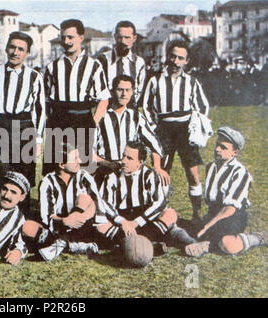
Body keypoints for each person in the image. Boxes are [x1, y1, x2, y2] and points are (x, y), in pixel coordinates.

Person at [99, 141, 209, 257]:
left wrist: (136, 222)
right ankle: (147, 246)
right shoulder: (112, 177)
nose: (123, 161)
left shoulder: (149, 175)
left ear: (140, 162)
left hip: (145, 222)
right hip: (122, 222)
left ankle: (191, 243)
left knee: (170, 214)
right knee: (101, 224)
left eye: (129, 158)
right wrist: (122, 222)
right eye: (124, 156)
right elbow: (104, 203)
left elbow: (159, 203)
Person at [142, 40, 209, 221]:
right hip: (163, 129)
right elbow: (146, 106)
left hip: (185, 129)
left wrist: (195, 125)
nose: (175, 61)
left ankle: (196, 214)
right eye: (173, 56)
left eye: (181, 58)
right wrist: (154, 127)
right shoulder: (155, 79)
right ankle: (162, 212)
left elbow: (202, 106)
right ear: (167, 56)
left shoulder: (191, 82)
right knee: (162, 171)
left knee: (192, 172)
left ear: (186, 61)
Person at [0, 31, 46, 218]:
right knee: (2, 174)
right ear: (6, 48)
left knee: (24, 175)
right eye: (12, 47)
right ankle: (0, 220)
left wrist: (39, 139)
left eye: (21, 49)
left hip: (24, 126)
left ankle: (22, 221)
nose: (15, 52)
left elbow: (40, 109)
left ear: (27, 53)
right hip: (0, 125)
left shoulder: (34, 77)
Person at [22, 142, 117, 261]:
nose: (79, 161)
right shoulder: (47, 182)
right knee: (27, 227)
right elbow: (46, 217)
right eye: (75, 158)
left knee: (84, 199)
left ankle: (63, 243)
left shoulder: (84, 176)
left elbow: (97, 203)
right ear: (62, 164)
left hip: (83, 224)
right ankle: (75, 245)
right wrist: (65, 221)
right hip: (59, 227)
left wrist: (78, 217)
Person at [43, 19, 110, 175]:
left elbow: (104, 98)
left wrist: (92, 122)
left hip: (83, 120)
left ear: (81, 37)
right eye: (63, 37)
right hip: (59, 121)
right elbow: (46, 100)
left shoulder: (94, 65)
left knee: (83, 169)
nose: (66, 42)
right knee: (56, 168)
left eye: (71, 37)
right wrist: (53, 119)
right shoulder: (52, 67)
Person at [186, 127, 267, 256]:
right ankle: (208, 240)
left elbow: (230, 209)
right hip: (214, 213)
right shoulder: (211, 166)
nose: (217, 149)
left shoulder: (240, 172)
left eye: (223, 147)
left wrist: (207, 226)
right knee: (189, 228)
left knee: (228, 245)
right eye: (217, 145)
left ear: (234, 152)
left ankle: (258, 238)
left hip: (232, 216)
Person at [93, 74, 168, 187]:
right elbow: (88, 152)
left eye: (127, 90)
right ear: (112, 91)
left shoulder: (136, 116)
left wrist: (157, 167)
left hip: (132, 172)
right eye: (120, 90)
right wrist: (109, 164)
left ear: (132, 92)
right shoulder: (101, 117)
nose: (124, 94)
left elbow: (154, 144)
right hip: (105, 171)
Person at [97, 20, 146, 108]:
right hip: (107, 110)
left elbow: (139, 90)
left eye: (127, 37)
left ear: (134, 38)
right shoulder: (103, 59)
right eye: (120, 37)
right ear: (115, 37)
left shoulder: (139, 62)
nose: (123, 41)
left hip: (129, 111)